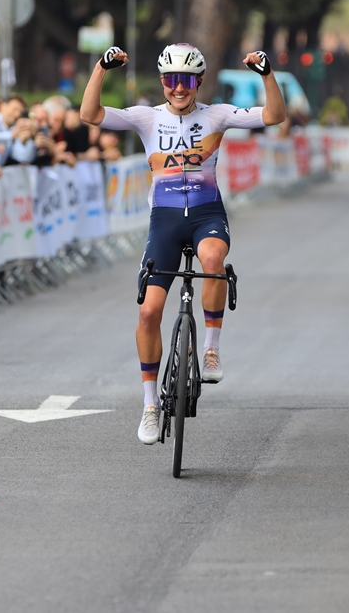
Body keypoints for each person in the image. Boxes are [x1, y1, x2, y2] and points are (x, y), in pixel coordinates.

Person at [81, 43, 285, 445]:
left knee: (212, 260)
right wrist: (101, 68)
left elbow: (275, 116)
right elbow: (89, 115)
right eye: (172, 80)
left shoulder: (217, 115)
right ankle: (150, 405)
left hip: (208, 215)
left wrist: (265, 73)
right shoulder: (145, 117)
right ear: (162, 82)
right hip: (166, 222)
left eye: (187, 81)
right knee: (148, 311)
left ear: (199, 82)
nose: (179, 89)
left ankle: (210, 350)